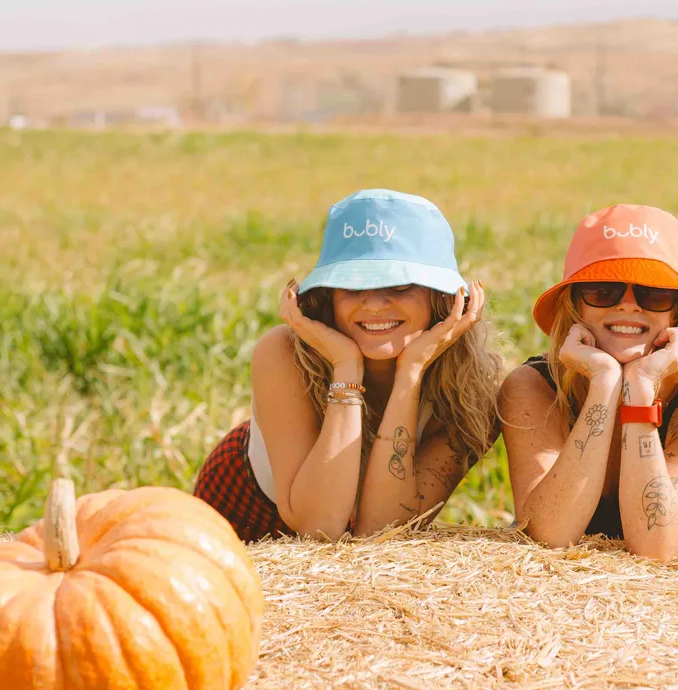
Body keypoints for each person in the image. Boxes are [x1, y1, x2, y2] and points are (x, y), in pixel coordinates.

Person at [194, 189, 501, 542]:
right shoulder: (282, 351)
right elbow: (318, 525)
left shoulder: (472, 393)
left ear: (442, 300)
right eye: (352, 286)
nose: (373, 304)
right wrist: (346, 367)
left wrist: (410, 375)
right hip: (243, 517)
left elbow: (380, 534)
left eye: (400, 286)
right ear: (329, 296)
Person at [499, 204, 678, 563]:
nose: (630, 306)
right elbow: (550, 536)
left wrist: (641, 387)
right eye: (604, 290)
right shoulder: (533, 387)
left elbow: (658, 548)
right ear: (575, 305)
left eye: (654, 293)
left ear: (677, 312)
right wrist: (604, 386)